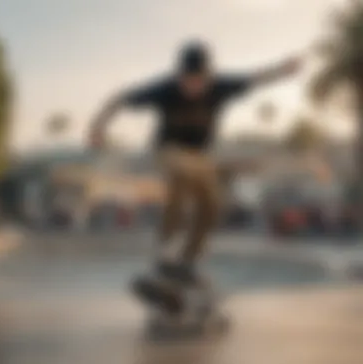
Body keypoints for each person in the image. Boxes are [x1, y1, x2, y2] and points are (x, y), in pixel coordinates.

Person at [88, 41, 303, 285]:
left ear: (207, 76)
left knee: (211, 206)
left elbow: (255, 78)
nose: (192, 87)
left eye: (198, 81)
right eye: (186, 81)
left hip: (201, 157)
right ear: (179, 75)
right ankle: (165, 251)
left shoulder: (221, 86)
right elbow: (120, 99)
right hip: (168, 151)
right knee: (181, 175)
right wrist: (98, 126)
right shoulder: (164, 88)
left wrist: (283, 70)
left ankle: (188, 262)